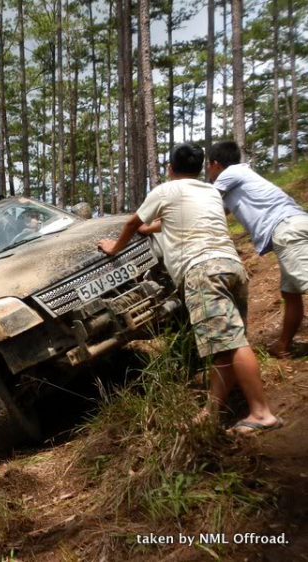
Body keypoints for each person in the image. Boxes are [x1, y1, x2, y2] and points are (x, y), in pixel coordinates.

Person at [98, 143, 282, 433]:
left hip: (202, 271)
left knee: (232, 344)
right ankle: (211, 412)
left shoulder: (164, 191)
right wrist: (152, 229)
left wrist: (113, 248)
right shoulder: (210, 191)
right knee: (226, 347)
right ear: (200, 168)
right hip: (232, 267)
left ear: (170, 169)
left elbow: (134, 222)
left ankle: (261, 413)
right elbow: (177, 221)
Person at [208, 141, 308, 358]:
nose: (209, 172)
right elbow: (217, 212)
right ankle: (283, 346)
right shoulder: (239, 178)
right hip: (291, 226)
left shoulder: (231, 173)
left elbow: (205, 202)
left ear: (215, 164)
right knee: (291, 292)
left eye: (209, 166)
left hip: (287, 229)